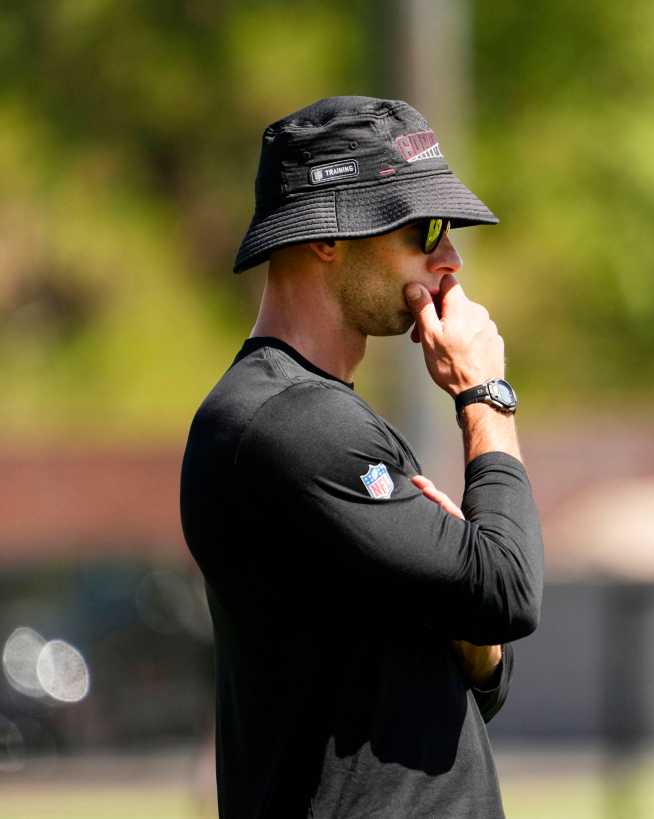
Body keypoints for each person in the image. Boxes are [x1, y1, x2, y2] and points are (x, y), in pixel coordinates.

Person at [180, 96, 543, 818]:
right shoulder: (290, 422)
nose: (450, 259)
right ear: (327, 237)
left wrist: (476, 636)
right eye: (423, 228)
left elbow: (476, 668)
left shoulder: (320, 417)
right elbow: (509, 587)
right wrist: (485, 394)